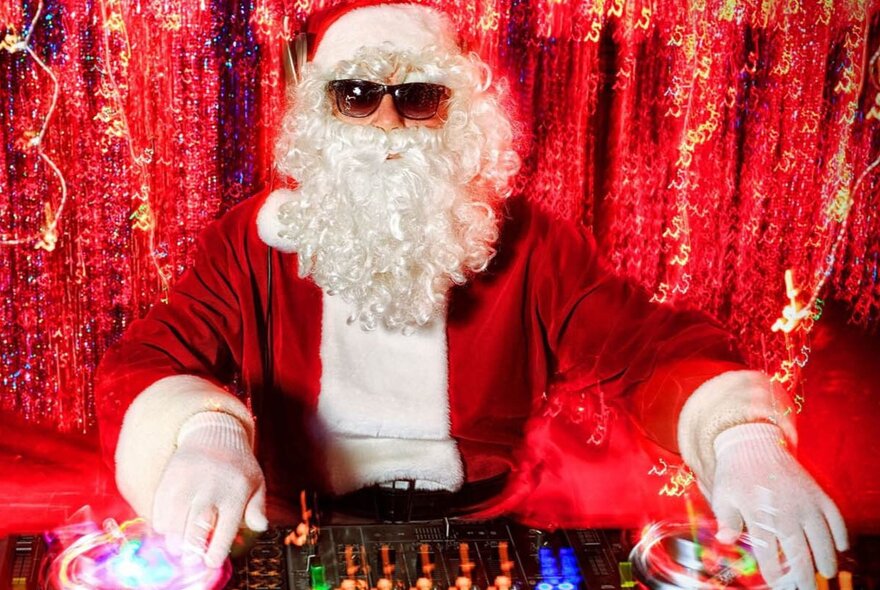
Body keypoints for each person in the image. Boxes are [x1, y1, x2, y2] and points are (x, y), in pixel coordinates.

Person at [94, 2, 848, 587]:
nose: (388, 123)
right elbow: (147, 357)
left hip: (485, 524)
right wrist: (202, 434)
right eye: (356, 95)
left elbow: (648, 346)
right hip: (306, 526)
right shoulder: (254, 241)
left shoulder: (526, 242)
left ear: (458, 112)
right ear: (317, 112)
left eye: (417, 97)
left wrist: (738, 438)